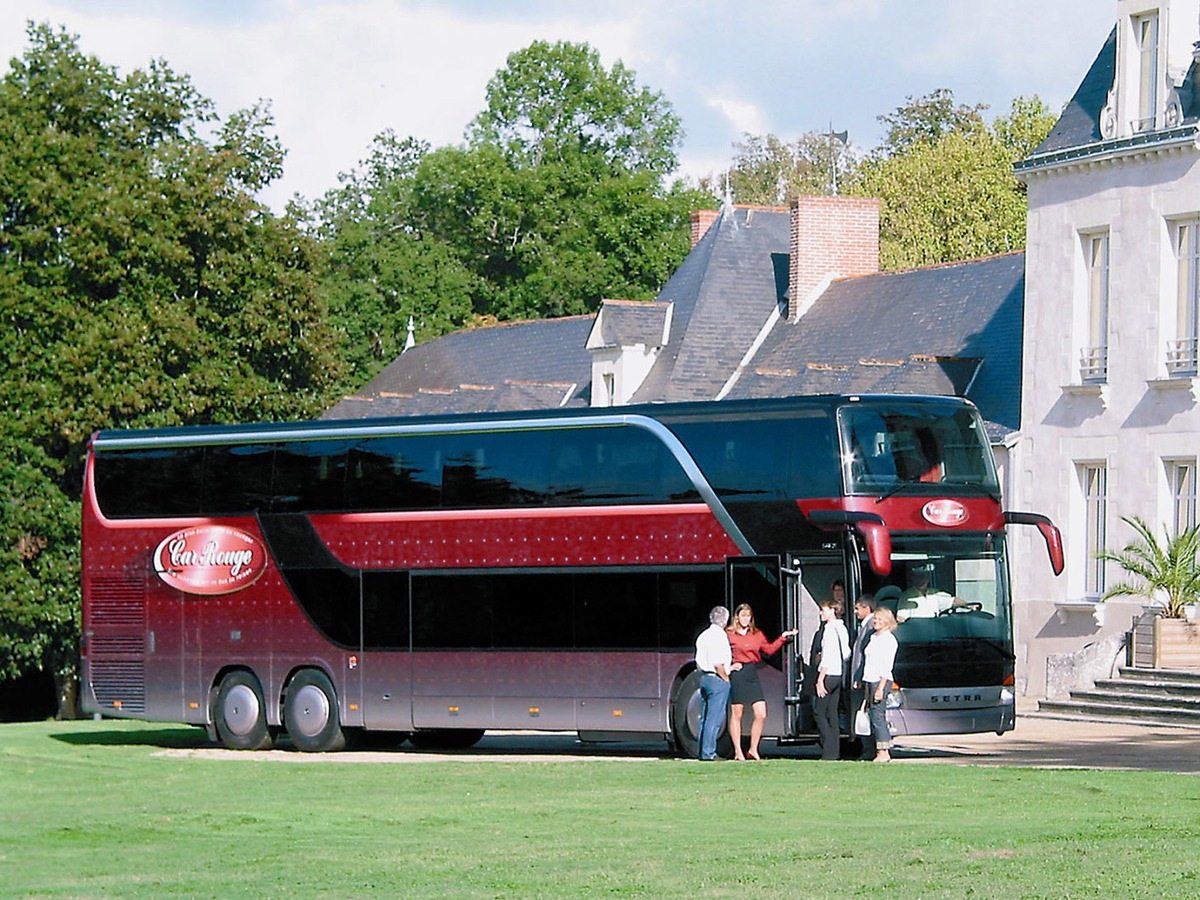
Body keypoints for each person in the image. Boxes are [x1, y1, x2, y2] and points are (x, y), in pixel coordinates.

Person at [726, 603, 798, 761]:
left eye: (748, 616)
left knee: (761, 713)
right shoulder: (729, 634)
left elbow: (769, 649)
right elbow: (722, 652)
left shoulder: (756, 634)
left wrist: (783, 637)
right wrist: (728, 667)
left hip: (752, 673)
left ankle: (753, 749)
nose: (745, 619)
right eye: (743, 615)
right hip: (738, 674)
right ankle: (738, 750)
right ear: (737, 617)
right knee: (737, 713)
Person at [814, 597, 851, 760]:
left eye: (823, 610)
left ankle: (828, 748)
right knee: (833, 713)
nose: (821, 613)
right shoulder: (841, 628)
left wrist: (820, 679)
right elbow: (846, 652)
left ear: (832, 611)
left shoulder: (829, 629)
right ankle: (834, 752)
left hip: (829, 674)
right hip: (838, 674)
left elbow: (827, 657)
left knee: (819, 712)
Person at [694, 605, 732, 761]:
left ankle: (701, 751)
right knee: (714, 719)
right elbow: (718, 663)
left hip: (704, 677)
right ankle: (709, 753)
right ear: (724, 620)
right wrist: (726, 678)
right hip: (717, 678)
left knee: (704, 718)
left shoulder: (703, 635)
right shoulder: (720, 636)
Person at [862, 606, 899, 763]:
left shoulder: (889, 640)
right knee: (872, 715)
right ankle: (874, 749)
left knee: (878, 716)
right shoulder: (873, 637)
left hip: (880, 680)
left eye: (879, 619)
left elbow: (886, 667)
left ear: (887, 622)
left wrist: (880, 688)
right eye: (875, 618)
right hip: (870, 679)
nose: (876, 621)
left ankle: (883, 752)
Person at [849, 592, 878, 760]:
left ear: (867, 608)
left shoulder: (870, 626)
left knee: (866, 713)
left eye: (857, 608)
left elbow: (864, 655)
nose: (855, 612)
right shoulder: (865, 625)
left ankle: (869, 749)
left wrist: (859, 677)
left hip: (865, 678)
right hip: (863, 676)